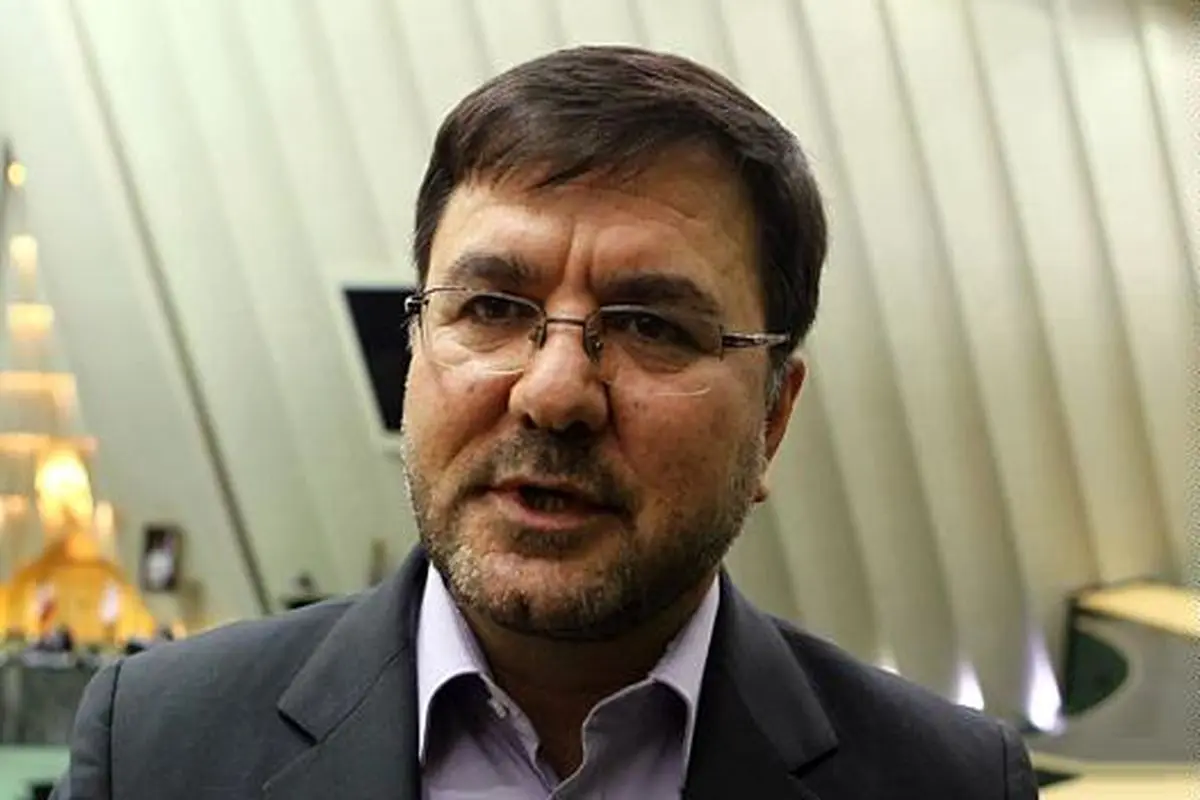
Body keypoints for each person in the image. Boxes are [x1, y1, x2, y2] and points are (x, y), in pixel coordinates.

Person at [51, 45, 1036, 799]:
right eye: (491, 308)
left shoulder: (948, 783)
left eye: (650, 325)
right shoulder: (155, 748)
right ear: (416, 346)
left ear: (774, 416)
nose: (554, 393)